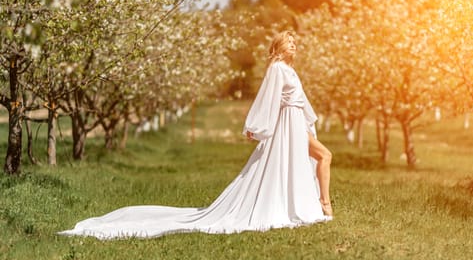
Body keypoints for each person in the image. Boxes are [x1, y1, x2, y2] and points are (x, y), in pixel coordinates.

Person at [58, 31, 332, 240]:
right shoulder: (276, 69)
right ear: (278, 47)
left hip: (295, 123)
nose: (293, 45)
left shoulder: (290, 70)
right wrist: (257, 127)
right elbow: (267, 100)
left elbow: (299, 101)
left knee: (316, 158)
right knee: (317, 157)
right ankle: (322, 204)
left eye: (295, 42)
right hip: (286, 124)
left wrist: (308, 122)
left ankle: (315, 203)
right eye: (288, 42)